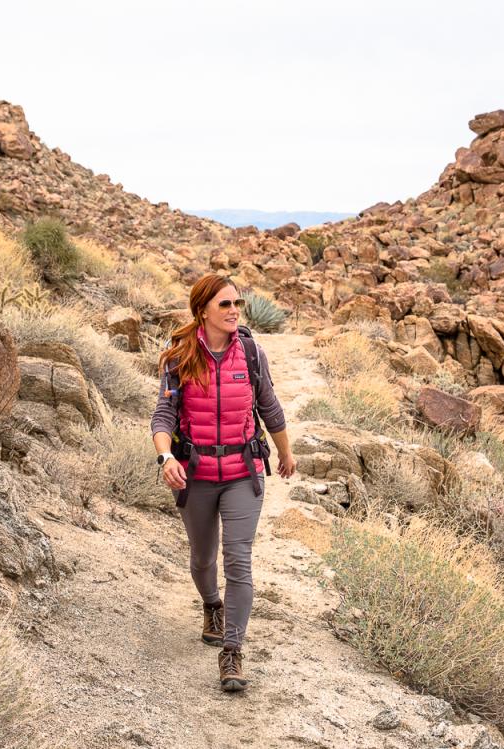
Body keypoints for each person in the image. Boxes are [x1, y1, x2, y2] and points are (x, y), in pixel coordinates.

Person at [150, 273, 296, 693]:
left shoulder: (250, 352)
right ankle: (211, 605)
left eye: (238, 304)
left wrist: (285, 451)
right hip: (195, 474)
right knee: (202, 560)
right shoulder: (178, 355)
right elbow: (163, 416)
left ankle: (231, 651)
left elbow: (268, 404)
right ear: (203, 311)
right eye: (225, 305)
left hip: (243, 474)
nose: (234, 312)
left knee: (238, 559)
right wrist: (165, 458)